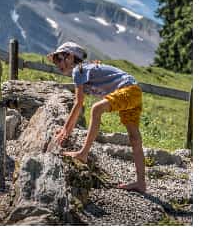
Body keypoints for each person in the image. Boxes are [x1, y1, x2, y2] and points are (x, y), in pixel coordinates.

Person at [48, 42, 146, 193]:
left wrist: (65, 131)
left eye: (60, 58)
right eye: (55, 60)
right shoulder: (85, 69)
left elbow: (78, 103)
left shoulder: (78, 70)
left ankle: (83, 153)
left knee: (96, 109)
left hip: (128, 90)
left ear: (71, 57)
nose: (58, 63)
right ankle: (141, 183)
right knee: (134, 138)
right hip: (134, 91)